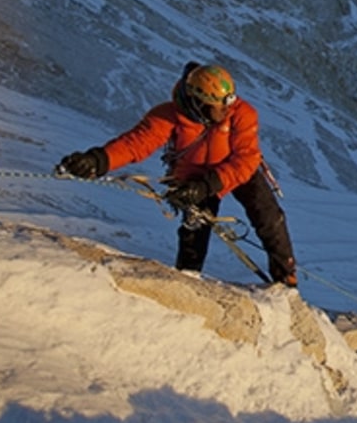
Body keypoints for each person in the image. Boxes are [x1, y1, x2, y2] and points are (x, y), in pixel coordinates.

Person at [57, 62, 297, 286]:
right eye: (219, 106)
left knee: (269, 217)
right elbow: (136, 144)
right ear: (199, 102)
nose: (227, 109)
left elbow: (247, 159)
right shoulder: (170, 116)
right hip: (194, 178)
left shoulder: (242, 113)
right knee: (194, 233)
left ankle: (286, 279)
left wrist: (209, 184)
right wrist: (98, 161)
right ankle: (187, 281)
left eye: (228, 102)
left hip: (235, 169)